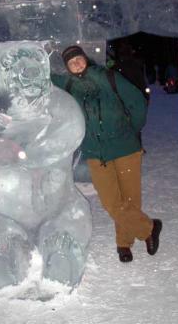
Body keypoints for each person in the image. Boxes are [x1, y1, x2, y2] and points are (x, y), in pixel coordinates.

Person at [51, 45, 162, 263]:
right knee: (111, 202)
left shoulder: (107, 77)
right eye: (71, 62)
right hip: (96, 152)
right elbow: (47, 79)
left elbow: (137, 101)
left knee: (130, 198)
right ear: (67, 67)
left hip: (125, 148)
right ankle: (149, 228)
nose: (76, 64)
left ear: (85, 59)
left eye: (78, 59)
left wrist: (131, 129)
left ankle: (123, 243)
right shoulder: (69, 85)